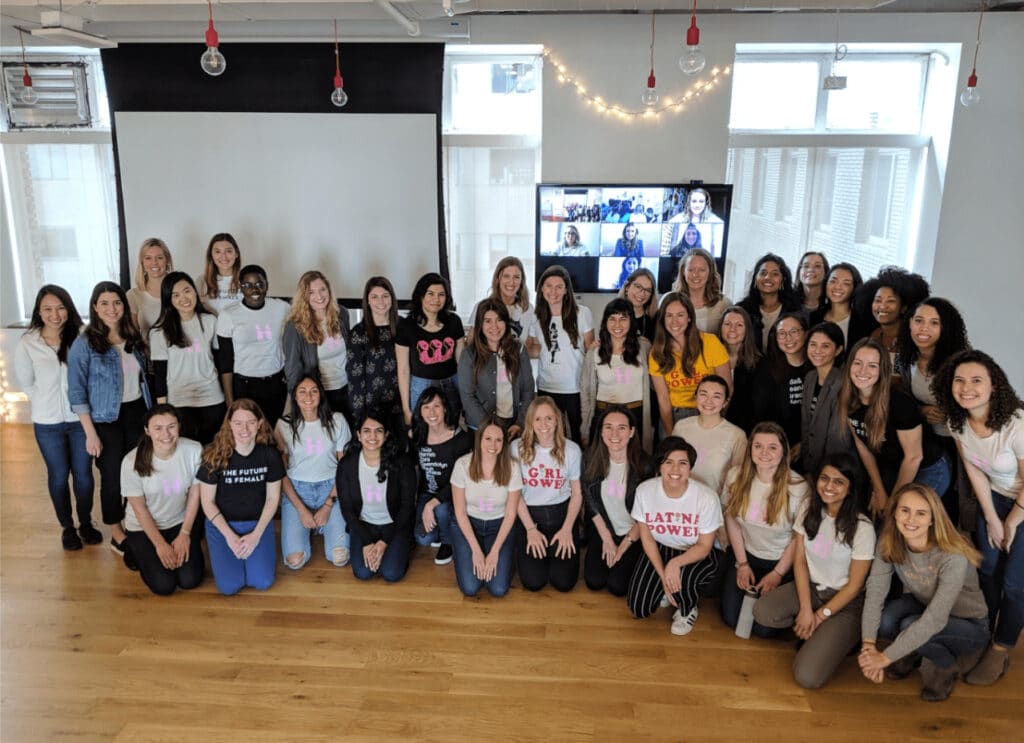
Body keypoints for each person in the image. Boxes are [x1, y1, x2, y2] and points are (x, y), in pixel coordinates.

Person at [934, 349, 1024, 686]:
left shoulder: (1016, 425)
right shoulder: (958, 421)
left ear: (993, 385)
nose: (966, 388)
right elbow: (974, 470)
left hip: (1023, 502)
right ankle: (983, 635)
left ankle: (1001, 649)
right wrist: (991, 516)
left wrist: (1013, 520)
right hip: (997, 499)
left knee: (1016, 586)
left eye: (976, 380)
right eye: (959, 380)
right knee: (987, 571)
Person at [753, 453, 876, 689]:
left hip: (845, 603)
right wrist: (807, 609)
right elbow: (799, 561)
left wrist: (819, 616)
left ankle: (837, 637)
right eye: (824, 478)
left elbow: (854, 586)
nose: (829, 486)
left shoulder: (862, 528)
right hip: (812, 588)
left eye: (838, 482)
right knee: (763, 612)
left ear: (850, 488)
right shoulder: (809, 508)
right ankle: (813, 632)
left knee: (807, 677)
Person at [859, 483, 989, 701]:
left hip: (970, 623)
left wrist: (885, 658)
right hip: (924, 603)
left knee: (910, 625)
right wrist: (868, 646)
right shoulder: (889, 540)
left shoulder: (952, 556)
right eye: (905, 510)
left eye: (921, 513)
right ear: (895, 512)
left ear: (932, 519)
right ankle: (912, 649)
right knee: (887, 621)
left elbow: (935, 619)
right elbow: (875, 592)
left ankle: (947, 666)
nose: (911, 520)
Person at [68, 281, 152, 567]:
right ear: (95, 307)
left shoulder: (132, 336)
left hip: (138, 414)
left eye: (116, 302)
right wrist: (90, 433)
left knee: (138, 472)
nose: (111, 308)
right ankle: (117, 532)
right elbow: (77, 393)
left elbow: (143, 379)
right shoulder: (85, 344)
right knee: (113, 477)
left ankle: (134, 522)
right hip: (106, 420)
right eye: (104, 303)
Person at [14, 285, 100, 551]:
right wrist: (44, 403)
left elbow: (93, 376)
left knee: (84, 476)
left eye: (60, 308)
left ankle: (85, 522)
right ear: (39, 312)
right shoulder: (28, 343)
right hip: (47, 423)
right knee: (59, 476)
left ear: (69, 308)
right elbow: (27, 383)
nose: (55, 314)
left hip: (80, 421)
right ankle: (67, 527)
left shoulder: (84, 337)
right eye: (48, 309)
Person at [837, 339, 950, 517]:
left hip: (927, 467)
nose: (863, 371)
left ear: (882, 371)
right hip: (892, 465)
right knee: (877, 516)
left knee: (902, 517)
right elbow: (863, 447)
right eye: (857, 363)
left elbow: (914, 457)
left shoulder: (899, 403)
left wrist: (894, 501)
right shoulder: (847, 400)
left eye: (872, 366)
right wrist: (879, 490)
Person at [627, 436, 724, 636]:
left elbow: (705, 546)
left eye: (682, 463)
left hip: (693, 551)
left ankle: (688, 608)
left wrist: (675, 564)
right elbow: (647, 538)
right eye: (668, 462)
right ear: (659, 465)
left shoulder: (706, 497)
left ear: (690, 467)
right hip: (661, 547)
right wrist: (663, 575)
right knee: (639, 607)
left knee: (682, 585)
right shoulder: (645, 491)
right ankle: (667, 587)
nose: (675, 470)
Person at [720, 422, 809, 636]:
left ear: (783, 451)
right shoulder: (735, 476)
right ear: (750, 449)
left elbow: (799, 540)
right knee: (732, 619)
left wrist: (777, 573)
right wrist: (742, 563)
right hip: (747, 555)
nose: (764, 453)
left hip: (780, 562)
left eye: (772, 447)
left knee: (763, 628)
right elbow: (731, 519)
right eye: (758, 446)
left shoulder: (797, 487)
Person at [197, 399, 284, 595]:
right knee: (229, 587)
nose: (244, 428)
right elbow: (207, 503)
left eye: (251, 422)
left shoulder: (270, 455)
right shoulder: (214, 455)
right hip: (222, 526)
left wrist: (255, 535)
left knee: (262, 581)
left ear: (259, 424)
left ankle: (252, 553)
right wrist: (229, 537)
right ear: (229, 424)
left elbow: (272, 499)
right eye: (238, 423)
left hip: (257, 524)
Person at [895, 298, 970, 518]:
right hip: (926, 441)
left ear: (946, 328)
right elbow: (906, 401)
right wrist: (922, 411)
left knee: (953, 508)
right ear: (909, 324)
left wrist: (952, 412)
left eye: (934, 323)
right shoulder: (906, 358)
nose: (923, 328)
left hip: (961, 444)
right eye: (918, 320)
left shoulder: (960, 362)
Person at [121, 404, 204, 595]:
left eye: (171, 426)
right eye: (158, 428)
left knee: (189, 580)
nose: (166, 434)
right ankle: (135, 550)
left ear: (179, 426)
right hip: (144, 527)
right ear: (147, 431)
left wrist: (185, 533)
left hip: (179, 522)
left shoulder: (193, 450)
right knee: (164, 586)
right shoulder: (130, 461)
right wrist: (159, 545)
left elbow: (194, 494)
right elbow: (139, 508)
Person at [273, 376, 352, 570]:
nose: (308, 396)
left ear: (321, 395)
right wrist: (301, 509)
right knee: (294, 561)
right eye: (302, 391)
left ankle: (322, 524)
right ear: (295, 397)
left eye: (314, 390)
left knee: (339, 558)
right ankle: (312, 526)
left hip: (331, 489)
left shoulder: (337, 420)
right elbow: (281, 473)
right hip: (297, 490)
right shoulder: (283, 425)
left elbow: (345, 468)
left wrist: (327, 506)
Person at [513, 396, 584, 592]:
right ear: (530, 422)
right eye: (537, 419)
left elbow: (577, 494)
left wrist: (568, 528)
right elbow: (515, 495)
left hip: (562, 515)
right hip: (530, 517)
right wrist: (530, 530)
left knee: (564, 583)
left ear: (557, 420)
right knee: (533, 582)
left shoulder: (572, 450)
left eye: (549, 418)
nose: (543, 424)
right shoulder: (516, 448)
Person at [337, 410, 417, 582]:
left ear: (386, 434)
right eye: (366, 431)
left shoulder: (401, 462)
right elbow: (347, 508)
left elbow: (407, 507)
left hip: (394, 525)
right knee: (363, 573)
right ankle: (381, 551)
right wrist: (367, 542)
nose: (372, 436)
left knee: (391, 573)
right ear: (358, 435)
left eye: (378, 430)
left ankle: (403, 545)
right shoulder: (347, 465)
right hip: (364, 525)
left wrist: (384, 542)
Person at [449, 416, 524, 598]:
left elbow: (510, 513)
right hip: (469, 524)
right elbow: (459, 512)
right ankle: (466, 553)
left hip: (499, 525)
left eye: (498, 440)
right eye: (488, 439)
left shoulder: (512, 467)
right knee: (470, 588)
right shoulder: (462, 465)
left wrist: (495, 551)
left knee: (497, 589)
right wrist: (475, 550)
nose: (493, 444)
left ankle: (502, 555)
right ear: (479, 439)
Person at [149, 271, 225, 445]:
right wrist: (163, 411)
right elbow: (160, 375)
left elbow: (220, 362)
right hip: (180, 403)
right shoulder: (159, 332)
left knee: (213, 455)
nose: (183, 298)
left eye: (187, 291)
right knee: (187, 457)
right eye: (175, 295)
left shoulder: (210, 321)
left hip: (212, 399)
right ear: (169, 300)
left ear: (194, 291)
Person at [581, 406, 651, 596]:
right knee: (594, 582)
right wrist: (606, 539)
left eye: (621, 428)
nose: (614, 434)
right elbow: (591, 504)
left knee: (618, 587)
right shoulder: (590, 460)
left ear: (631, 432)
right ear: (601, 431)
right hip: (605, 529)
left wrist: (624, 544)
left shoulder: (644, 465)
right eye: (608, 427)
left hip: (634, 534)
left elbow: (647, 515)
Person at [526, 266, 595, 444]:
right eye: (548, 286)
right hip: (546, 386)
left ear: (566, 290)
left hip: (574, 387)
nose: (553, 291)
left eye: (559, 286)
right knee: (548, 436)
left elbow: (590, 350)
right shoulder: (536, 315)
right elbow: (533, 347)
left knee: (578, 435)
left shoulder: (582, 313)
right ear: (541, 289)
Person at [214, 264, 289, 428]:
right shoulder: (228, 315)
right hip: (245, 387)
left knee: (275, 433)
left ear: (267, 285)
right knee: (250, 434)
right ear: (240, 287)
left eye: (259, 284)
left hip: (275, 384)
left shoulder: (281, 308)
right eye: (247, 285)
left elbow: (293, 341)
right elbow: (226, 361)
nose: (254, 289)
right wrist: (229, 401)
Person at [648, 292, 731, 434]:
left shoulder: (710, 343)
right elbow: (663, 398)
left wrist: (716, 419)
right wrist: (670, 433)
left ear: (689, 318)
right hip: (674, 415)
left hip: (708, 412)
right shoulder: (657, 353)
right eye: (669, 315)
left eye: (680, 315)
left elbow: (727, 386)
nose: (674, 322)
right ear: (662, 319)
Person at [411, 387, 473, 566]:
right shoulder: (418, 436)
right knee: (423, 538)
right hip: (426, 493)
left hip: (451, 496)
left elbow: (461, 481)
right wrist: (424, 503)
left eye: (436, 406)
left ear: (445, 408)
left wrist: (433, 503)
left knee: (442, 510)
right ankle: (440, 527)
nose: (432, 412)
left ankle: (448, 541)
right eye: (426, 407)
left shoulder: (460, 439)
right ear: (420, 411)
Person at [580, 298, 652, 450]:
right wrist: (585, 428)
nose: (617, 325)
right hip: (603, 414)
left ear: (631, 321)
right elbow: (586, 393)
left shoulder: (644, 348)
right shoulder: (594, 352)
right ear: (605, 322)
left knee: (635, 465)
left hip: (636, 414)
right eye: (612, 319)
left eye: (623, 319)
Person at [396, 272, 466, 427]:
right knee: (423, 432)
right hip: (421, 385)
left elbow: (461, 361)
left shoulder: (454, 321)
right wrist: (407, 410)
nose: (436, 299)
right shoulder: (406, 326)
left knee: (451, 428)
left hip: (451, 383)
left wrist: (465, 397)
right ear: (421, 296)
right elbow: (403, 370)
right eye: (431, 294)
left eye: (441, 294)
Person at [282, 270, 352, 419]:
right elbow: (292, 368)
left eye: (322, 290)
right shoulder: (295, 327)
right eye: (311, 292)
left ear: (329, 290)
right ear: (304, 296)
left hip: (346, 390)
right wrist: (300, 403)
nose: (319, 296)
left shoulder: (342, 314)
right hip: (318, 395)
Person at [458, 299, 535, 435]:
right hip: (480, 426)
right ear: (480, 325)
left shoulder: (519, 350)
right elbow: (467, 396)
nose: (494, 326)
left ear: (506, 322)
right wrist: (488, 427)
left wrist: (520, 423)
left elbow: (528, 390)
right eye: (488, 321)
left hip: (513, 424)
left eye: (499, 320)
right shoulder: (469, 354)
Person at [671, 375, 746, 496]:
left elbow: (737, 479)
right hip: (681, 501)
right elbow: (669, 466)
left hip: (716, 504)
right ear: (696, 396)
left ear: (725, 402)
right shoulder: (681, 427)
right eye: (703, 394)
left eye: (716, 396)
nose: (708, 401)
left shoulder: (737, 435)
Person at [347, 276, 402, 431]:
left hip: (402, 404)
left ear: (392, 298)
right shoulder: (358, 333)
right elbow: (355, 379)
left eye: (385, 296)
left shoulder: (404, 327)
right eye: (375, 297)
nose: (381, 302)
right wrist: (360, 417)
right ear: (368, 301)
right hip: (372, 409)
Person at [752, 313, 811, 454]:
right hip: (775, 444)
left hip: (811, 443)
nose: (788, 338)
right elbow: (760, 414)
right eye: (782, 333)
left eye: (794, 332)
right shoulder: (765, 368)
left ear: (806, 334)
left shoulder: (816, 365)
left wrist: (805, 443)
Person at [801, 322, 850, 477]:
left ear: (838, 350)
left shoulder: (842, 383)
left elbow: (837, 440)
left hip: (832, 469)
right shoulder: (810, 377)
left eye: (825, 346)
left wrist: (820, 474)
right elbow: (806, 424)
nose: (817, 351)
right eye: (813, 344)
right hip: (809, 462)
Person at [855, 266, 930, 359]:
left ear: (904, 307)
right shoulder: (875, 335)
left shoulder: (912, 339)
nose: (882, 306)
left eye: (890, 301)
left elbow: (902, 371)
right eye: (878, 300)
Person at [737, 253, 802, 353]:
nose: (768, 277)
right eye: (763, 273)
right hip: (748, 367)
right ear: (755, 278)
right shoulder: (742, 310)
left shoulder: (794, 311)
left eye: (775, 274)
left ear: (783, 280)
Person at [467, 257, 535, 341]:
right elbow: (470, 343)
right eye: (506, 276)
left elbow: (531, 345)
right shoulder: (481, 307)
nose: (511, 282)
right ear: (498, 279)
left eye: (516, 277)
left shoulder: (528, 309)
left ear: (522, 281)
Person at [717, 306, 761, 434]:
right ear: (720, 327)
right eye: (727, 324)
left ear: (747, 330)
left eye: (739, 325)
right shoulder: (709, 357)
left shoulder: (759, 364)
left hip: (744, 429)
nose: (732, 329)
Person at [809, 262, 871, 348]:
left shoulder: (862, 322)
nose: (838, 287)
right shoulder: (814, 317)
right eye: (833, 281)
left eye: (846, 283)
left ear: (854, 288)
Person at [671, 247, 731, 334]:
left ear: (710, 272)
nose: (696, 275)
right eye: (691, 270)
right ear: (683, 272)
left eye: (702, 270)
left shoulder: (724, 304)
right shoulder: (670, 301)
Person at [126, 237, 173, 338]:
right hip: (148, 353)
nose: (154, 263)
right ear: (142, 262)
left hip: (181, 352)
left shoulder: (180, 291)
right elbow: (132, 336)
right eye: (148, 258)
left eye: (159, 257)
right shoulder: (133, 295)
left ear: (167, 260)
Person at [197, 233, 242, 315]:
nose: (223, 256)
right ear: (211, 255)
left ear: (236, 253)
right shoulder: (202, 281)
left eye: (228, 251)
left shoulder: (246, 279)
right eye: (217, 252)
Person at [618, 267, 659, 343]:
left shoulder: (656, 321)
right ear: (627, 287)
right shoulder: (613, 315)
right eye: (638, 287)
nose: (642, 293)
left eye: (647, 290)